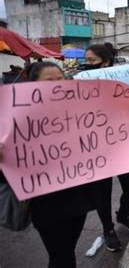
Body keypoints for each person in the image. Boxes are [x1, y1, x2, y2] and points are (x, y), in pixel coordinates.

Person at [0, 62, 99, 267]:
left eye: (60, 79)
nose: (57, 85)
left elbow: (103, 136)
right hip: (45, 203)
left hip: (78, 198)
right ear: (33, 85)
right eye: (49, 81)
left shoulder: (78, 110)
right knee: (62, 256)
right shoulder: (15, 118)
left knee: (66, 251)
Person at [81, 44, 129, 252]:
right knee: (102, 193)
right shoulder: (78, 84)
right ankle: (108, 230)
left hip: (122, 146)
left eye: (91, 60)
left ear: (105, 62)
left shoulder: (122, 82)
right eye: (86, 60)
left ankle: (123, 215)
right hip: (95, 148)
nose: (86, 64)